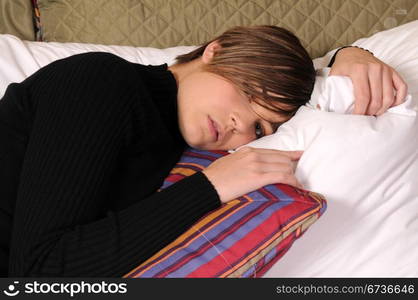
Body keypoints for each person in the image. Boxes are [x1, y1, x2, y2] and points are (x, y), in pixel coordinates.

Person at [0, 25, 407, 277]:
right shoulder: (102, 82)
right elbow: (41, 272)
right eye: (247, 95)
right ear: (214, 50)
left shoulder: (176, 140)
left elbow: (316, 83)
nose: (238, 127)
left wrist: (350, 55)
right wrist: (209, 188)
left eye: (259, 127)